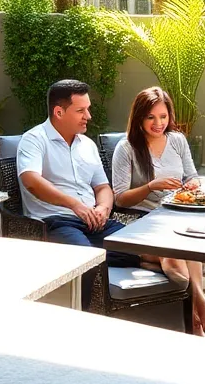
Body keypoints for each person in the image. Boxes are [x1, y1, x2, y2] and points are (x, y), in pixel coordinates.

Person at [15, 79, 142, 311]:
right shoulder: (34, 139)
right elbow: (31, 180)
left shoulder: (87, 145)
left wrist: (103, 208)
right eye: (81, 110)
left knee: (147, 250)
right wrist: (75, 205)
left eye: (88, 109)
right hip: (57, 222)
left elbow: (103, 187)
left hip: (95, 222)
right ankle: (81, 315)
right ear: (59, 112)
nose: (88, 116)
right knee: (83, 260)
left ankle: (106, 259)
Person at [110, 87, 205, 335]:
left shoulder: (177, 140)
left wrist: (192, 185)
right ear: (139, 117)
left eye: (163, 116)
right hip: (138, 220)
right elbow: (120, 199)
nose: (158, 123)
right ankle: (201, 309)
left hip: (175, 215)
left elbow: (192, 176)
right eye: (151, 117)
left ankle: (192, 315)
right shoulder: (126, 148)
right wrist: (150, 186)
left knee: (190, 247)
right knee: (176, 261)